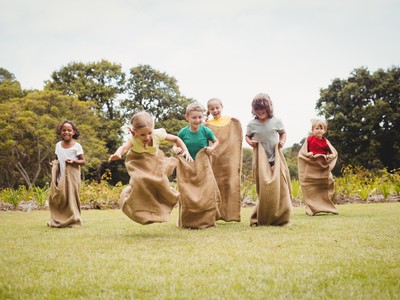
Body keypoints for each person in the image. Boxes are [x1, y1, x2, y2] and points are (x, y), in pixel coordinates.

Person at [109, 111, 193, 225]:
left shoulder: (157, 134)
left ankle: (162, 207)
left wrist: (185, 150)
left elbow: (176, 139)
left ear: (153, 129)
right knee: (139, 180)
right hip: (137, 161)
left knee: (160, 182)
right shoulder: (133, 139)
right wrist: (118, 154)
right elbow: (123, 147)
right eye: (142, 135)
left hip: (155, 161)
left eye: (149, 133)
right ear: (135, 132)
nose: (147, 137)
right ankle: (130, 198)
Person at [245, 93, 292, 226]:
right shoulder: (252, 124)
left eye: (263, 110)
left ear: (269, 108)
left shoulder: (276, 121)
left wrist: (282, 142)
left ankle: (282, 217)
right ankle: (263, 216)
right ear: (253, 110)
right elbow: (247, 136)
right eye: (257, 110)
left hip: (275, 158)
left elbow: (283, 133)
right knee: (265, 188)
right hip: (261, 160)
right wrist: (250, 142)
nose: (260, 112)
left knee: (280, 186)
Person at [174, 102, 221, 229]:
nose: (197, 120)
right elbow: (176, 144)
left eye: (200, 117)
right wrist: (176, 149)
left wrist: (212, 148)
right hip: (187, 167)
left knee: (206, 193)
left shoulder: (206, 131)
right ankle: (185, 221)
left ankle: (208, 220)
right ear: (187, 117)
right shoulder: (183, 132)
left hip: (203, 167)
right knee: (187, 193)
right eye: (194, 117)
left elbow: (216, 141)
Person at [205, 98, 242, 222]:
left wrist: (236, 123)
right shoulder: (207, 125)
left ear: (222, 107)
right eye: (212, 109)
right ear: (209, 110)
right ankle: (213, 213)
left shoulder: (231, 121)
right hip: (214, 159)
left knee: (230, 183)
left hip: (228, 158)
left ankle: (231, 214)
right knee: (214, 184)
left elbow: (235, 139)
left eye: (217, 107)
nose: (215, 110)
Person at [48, 120, 85, 228]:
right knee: (59, 197)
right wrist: (54, 164)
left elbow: (83, 162)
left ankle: (74, 220)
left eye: (69, 130)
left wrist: (73, 162)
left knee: (71, 198)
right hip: (60, 176)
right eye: (64, 130)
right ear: (60, 132)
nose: (66, 132)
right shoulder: (58, 145)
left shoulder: (77, 146)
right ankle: (59, 219)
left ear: (73, 132)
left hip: (72, 177)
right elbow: (57, 158)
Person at [298, 118, 338, 216]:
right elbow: (303, 152)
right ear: (312, 130)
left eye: (321, 128)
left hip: (322, 167)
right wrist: (308, 154)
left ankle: (325, 205)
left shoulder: (325, 141)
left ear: (324, 130)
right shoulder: (309, 139)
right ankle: (311, 207)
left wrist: (330, 156)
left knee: (329, 182)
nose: (319, 130)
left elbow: (333, 153)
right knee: (310, 186)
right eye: (316, 128)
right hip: (312, 166)